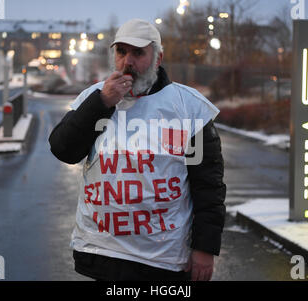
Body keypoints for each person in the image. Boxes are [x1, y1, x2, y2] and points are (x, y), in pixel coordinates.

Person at [49, 19, 226, 281]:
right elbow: (63, 149)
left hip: (162, 258)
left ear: (158, 58)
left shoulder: (188, 107)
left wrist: (204, 247)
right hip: (103, 252)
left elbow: (208, 184)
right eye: (121, 52)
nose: (127, 62)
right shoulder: (95, 97)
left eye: (138, 53)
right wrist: (102, 103)